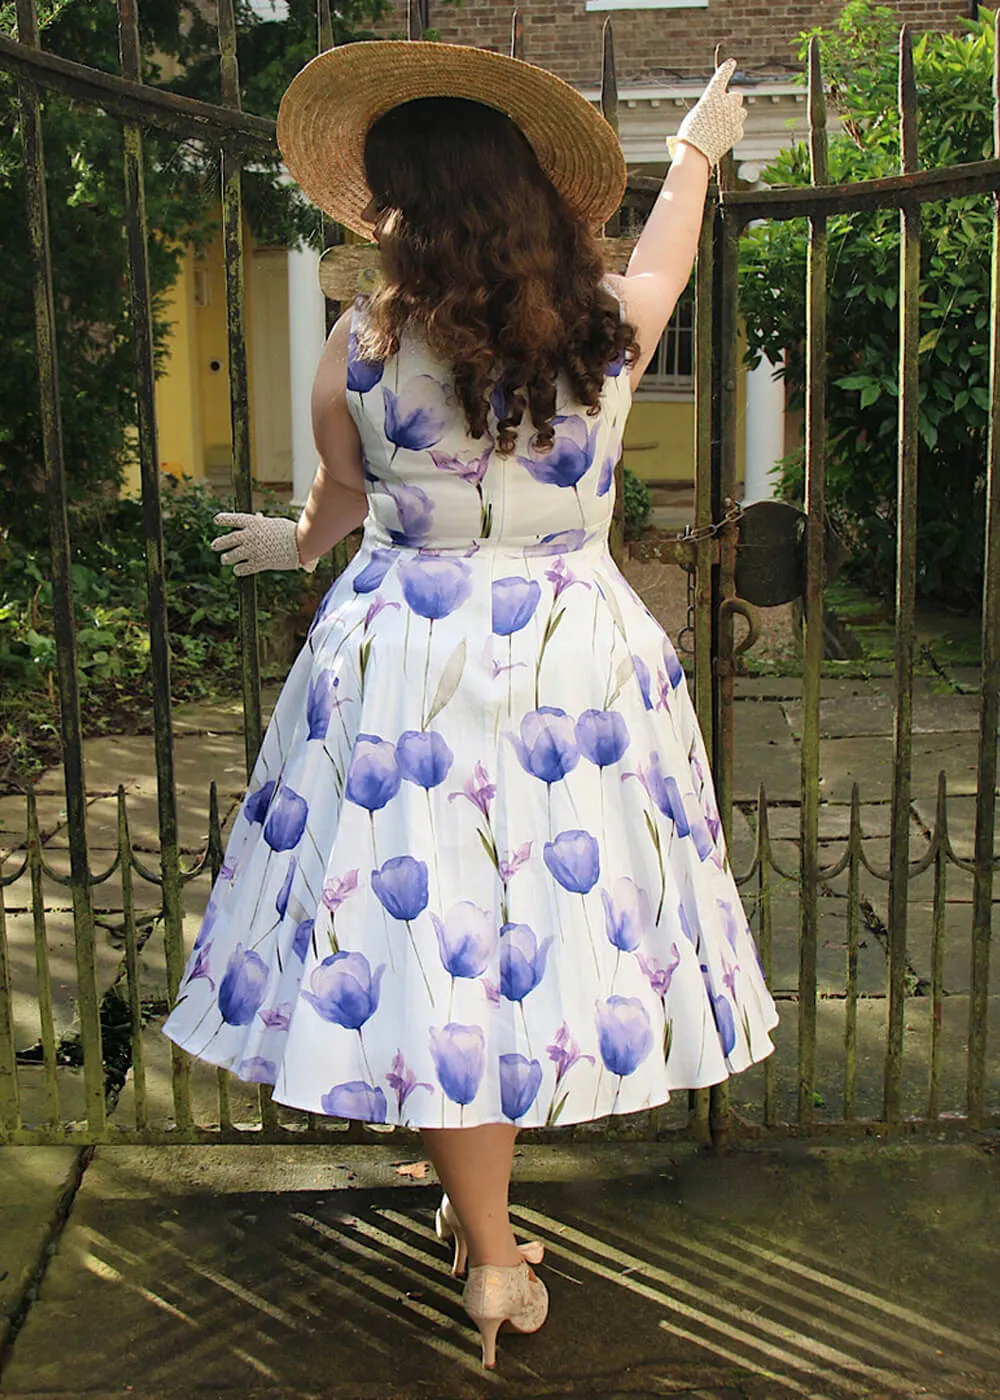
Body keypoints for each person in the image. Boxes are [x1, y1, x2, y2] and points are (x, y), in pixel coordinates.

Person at [162, 41, 778, 1369]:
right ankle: (490, 1248)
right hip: (576, 668)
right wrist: (697, 152)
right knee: (521, 947)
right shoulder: (609, 331)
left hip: (401, 664)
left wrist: (295, 545)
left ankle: (486, 1245)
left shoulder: (356, 350)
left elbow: (333, 506)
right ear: (526, 200)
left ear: (401, 210)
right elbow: (669, 253)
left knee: (430, 947)